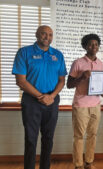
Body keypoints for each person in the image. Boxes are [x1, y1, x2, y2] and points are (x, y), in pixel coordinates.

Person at [12, 25, 67, 169]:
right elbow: (21, 81)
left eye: (50, 35)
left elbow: (62, 80)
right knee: (31, 139)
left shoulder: (58, 55)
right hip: (32, 101)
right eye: (44, 34)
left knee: (48, 139)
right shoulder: (24, 52)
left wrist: (52, 96)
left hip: (52, 101)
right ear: (36, 34)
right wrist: (41, 96)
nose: (47, 37)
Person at [67, 34, 103, 169]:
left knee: (93, 135)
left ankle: (89, 163)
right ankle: (78, 165)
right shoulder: (78, 62)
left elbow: (99, 83)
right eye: (90, 44)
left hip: (96, 105)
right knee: (79, 136)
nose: (93, 47)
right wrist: (81, 77)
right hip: (81, 105)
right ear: (85, 46)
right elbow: (69, 84)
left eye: (96, 44)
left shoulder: (100, 63)